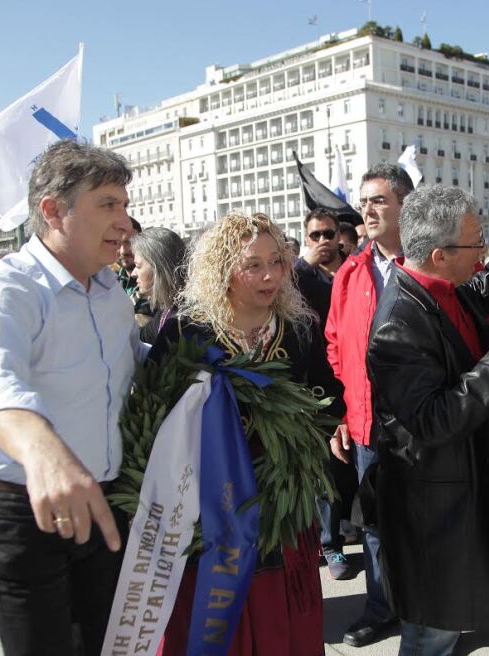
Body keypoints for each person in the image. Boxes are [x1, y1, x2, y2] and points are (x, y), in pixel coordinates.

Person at [0, 140, 145, 656]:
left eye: (125, 206)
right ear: (52, 210)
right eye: (108, 204)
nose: (125, 222)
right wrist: (44, 452)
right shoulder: (6, 289)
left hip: (104, 503)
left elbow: (139, 367)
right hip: (21, 513)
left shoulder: (111, 292)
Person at [150, 211, 344, 656]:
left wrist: (311, 432)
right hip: (209, 506)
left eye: (277, 261)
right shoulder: (187, 330)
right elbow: (156, 413)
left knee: (280, 621)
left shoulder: (297, 328)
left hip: (281, 503)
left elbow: (327, 395)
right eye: (252, 264)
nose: (270, 275)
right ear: (222, 271)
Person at [366, 184, 489, 655]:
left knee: (443, 628)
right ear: (440, 255)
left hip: (455, 498)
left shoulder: (440, 287)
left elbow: (482, 289)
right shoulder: (397, 323)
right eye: (476, 243)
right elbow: (433, 419)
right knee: (431, 635)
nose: (483, 251)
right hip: (432, 513)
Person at [325, 162, 414, 647]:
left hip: (424, 423)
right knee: (375, 524)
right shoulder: (350, 273)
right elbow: (336, 344)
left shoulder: (430, 261)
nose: (367, 209)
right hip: (366, 426)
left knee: (428, 522)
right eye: (364, 202)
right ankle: (382, 608)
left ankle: (433, 615)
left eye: (379, 200)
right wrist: (346, 410)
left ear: (406, 204)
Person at [293, 207, 356, 580]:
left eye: (327, 234)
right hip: (315, 384)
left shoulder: (352, 270)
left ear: (338, 235)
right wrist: (304, 264)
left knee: (345, 470)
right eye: (314, 235)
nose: (322, 242)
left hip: (353, 381)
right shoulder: (299, 275)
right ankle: (328, 544)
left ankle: (347, 532)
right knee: (323, 471)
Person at [129, 226, 187, 344]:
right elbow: (139, 339)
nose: (134, 273)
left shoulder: (185, 320)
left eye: (138, 266)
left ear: (158, 268)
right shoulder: (165, 312)